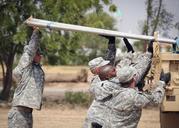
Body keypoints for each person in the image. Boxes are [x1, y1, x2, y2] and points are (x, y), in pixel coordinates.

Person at [102, 67, 171, 128]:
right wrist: (162, 82)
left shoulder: (115, 89)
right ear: (134, 77)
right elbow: (156, 101)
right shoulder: (133, 96)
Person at [8, 27, 45, 128]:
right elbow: (31, 50)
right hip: (19, 112)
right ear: (32, 55)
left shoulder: (35, 68)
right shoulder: (25, 65)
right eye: (38, 54)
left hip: (27, 112)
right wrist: (36, 32)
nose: (40, 56)